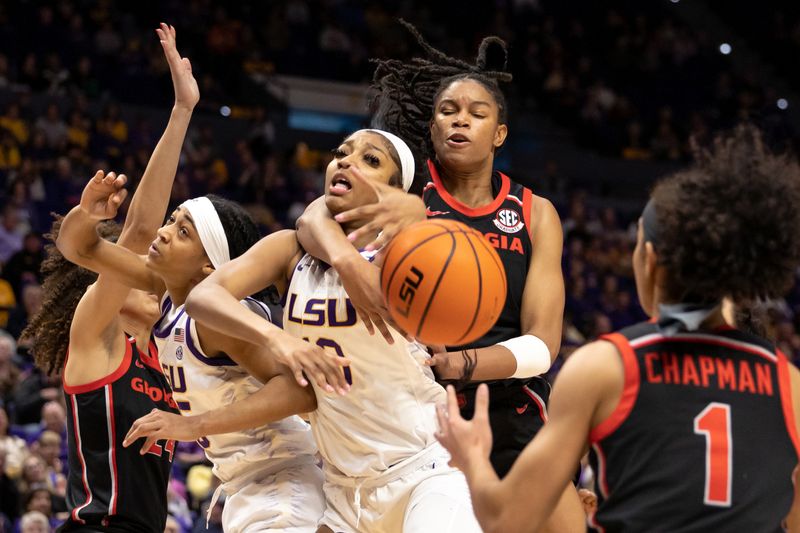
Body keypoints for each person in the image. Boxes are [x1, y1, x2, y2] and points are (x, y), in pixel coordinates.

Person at [435, 126, 800, 532]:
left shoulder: (606, 366)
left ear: (649, 260)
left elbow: (505, 517)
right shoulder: (789, 382)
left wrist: (471, 455)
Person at [296, 21, 584, 531]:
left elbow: (543, 343)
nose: (459, 122)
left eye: (477, 114)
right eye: (447, 112)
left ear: (499, 132)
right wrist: (346, 262)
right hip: (412, 405)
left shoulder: (535, 213)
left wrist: (463, 364)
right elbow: (313, 218)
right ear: (430, 129)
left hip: (506, 398)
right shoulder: (409, 195)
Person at [55, 31, 338, 533]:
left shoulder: (202, 312)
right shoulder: (132, 322)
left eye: (181, 230)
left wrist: (191, 425)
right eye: (172, 224)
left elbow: (301, 392)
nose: (161, 236)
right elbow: (86, 247)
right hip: (211, 496)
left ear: (208, 267)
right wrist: (85, 211)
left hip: (279, 479)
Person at [181, 129, 482, 533]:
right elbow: (203, 297)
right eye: (341, 153)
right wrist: (279, 339)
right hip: (346, 491)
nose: (345, 161)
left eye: (370, 160)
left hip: (424, 467)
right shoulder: (292, 250)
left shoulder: (407, 253)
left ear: (394, 192)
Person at [19, 23, 196, 532]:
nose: (150, 283)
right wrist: (181, 110)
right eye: (139, 280)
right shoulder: (96, 335)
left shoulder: (167, 359)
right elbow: (137, 234)